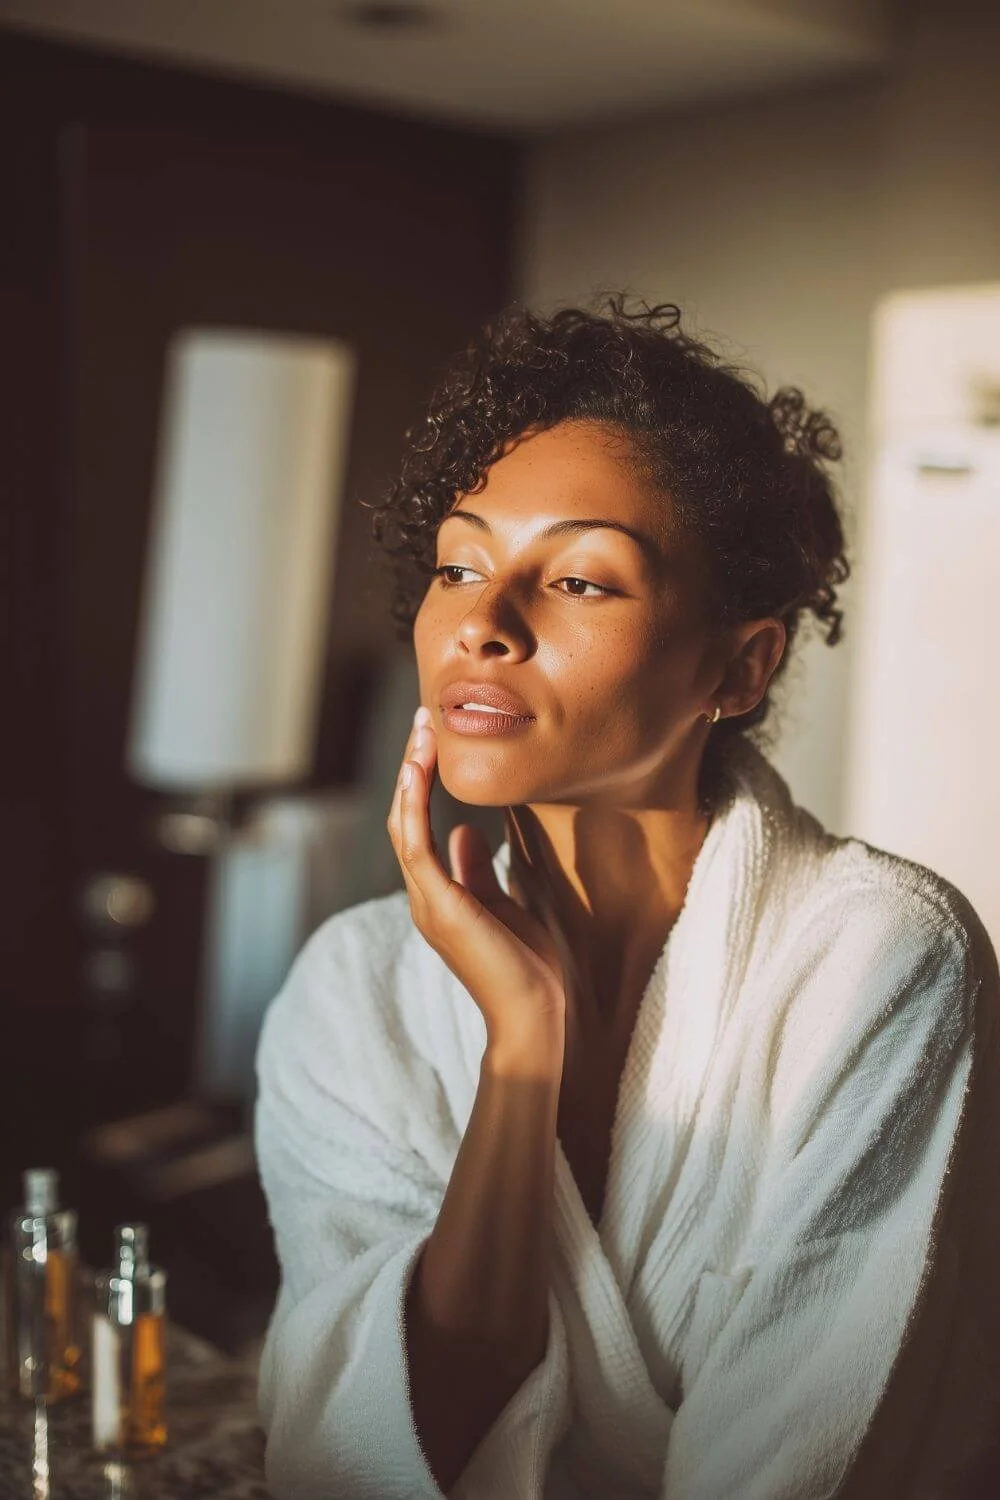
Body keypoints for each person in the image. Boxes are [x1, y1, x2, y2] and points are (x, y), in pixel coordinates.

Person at [253, 298, 1000, 1499]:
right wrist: (518, 1049)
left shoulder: (878, 957)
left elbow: (813, 1450)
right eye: (459, 563)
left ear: (738, 666)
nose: (481, 627)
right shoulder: (352, 992)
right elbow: (363, 1443)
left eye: (583, 583)